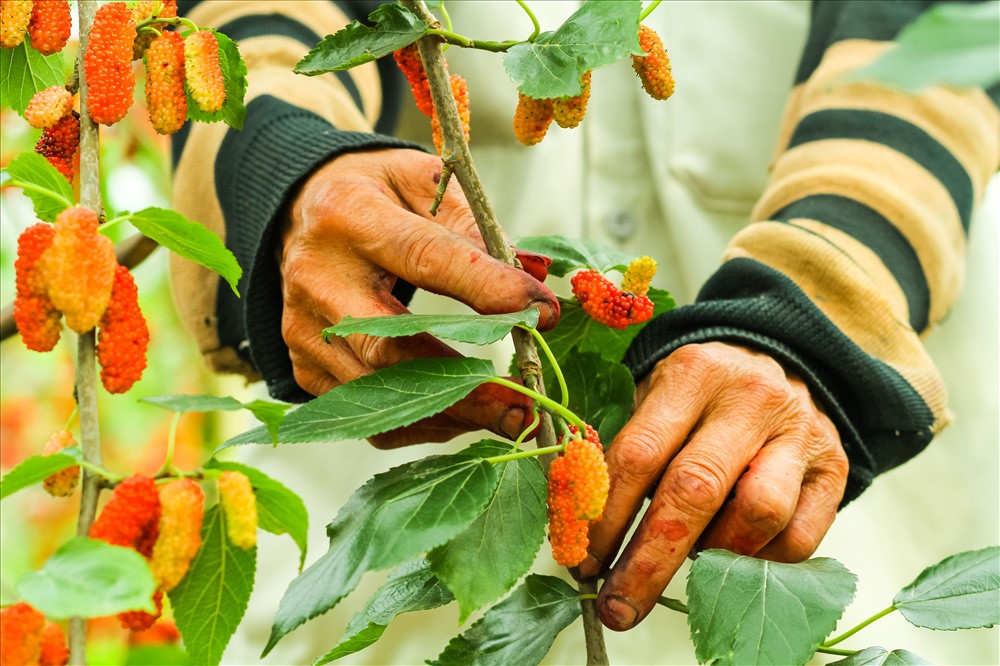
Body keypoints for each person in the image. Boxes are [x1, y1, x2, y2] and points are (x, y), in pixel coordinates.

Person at [169, 1, 999, 662]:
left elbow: (933, 40)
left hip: (853, 531)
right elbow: (251, 24)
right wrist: (281, 161)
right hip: (400, 551)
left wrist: (814, 313)